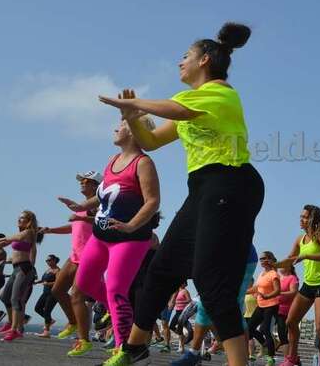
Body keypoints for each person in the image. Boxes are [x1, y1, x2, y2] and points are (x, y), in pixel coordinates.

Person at [99, 22, 265, 366]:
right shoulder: (193, 104)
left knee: (211, 281)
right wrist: (132, 117)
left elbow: (177, 109)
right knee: (162, 268)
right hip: (203, 189)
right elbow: (151, 141)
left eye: (185, 56)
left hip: (231, 183)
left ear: (204, 60)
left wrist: (135, 104)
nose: (179, 62)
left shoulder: (220, 93)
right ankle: (135, 348)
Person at [63, 115, 161, 357]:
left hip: (130, 238)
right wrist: (80, 206)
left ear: (134, 131)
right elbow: (103, 194)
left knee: (116, 289)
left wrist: (130, 226)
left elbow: (153, 201)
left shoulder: (143, 163)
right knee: (85, 284)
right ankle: (120, 312)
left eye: (122, 125)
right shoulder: (112, 160)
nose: (116, 129)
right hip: (100, 236)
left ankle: (123, 349)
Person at [41, 170, 100, 342]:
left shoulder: (96, 205)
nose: (82, 182)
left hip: (89, 256)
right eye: (81, 180)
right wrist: (50, 230)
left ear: (95, 185)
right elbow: (73, 226)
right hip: (74, 255)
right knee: (57, 290)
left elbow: (100, 221)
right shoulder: (82, 206)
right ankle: (73, 322)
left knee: (77, 296)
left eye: (86, 181)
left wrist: (81, 217)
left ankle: (84, 339)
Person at [278, 205, 320, 366]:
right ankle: (293, 358)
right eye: (301, 216)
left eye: (304, 217)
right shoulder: (299, 239)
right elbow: (290, 259)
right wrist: (274, 265)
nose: (301, 219)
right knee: (291, 321)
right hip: (308, 285)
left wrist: (306, 255)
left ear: (312, 219)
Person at [0, 210, 43, 341]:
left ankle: (15, 330)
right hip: (16, 268)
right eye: (19, 217)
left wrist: (1, 239)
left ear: (29, 221)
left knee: (15, 299)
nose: (19, 220)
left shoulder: (29, 232)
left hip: (24, 268)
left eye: (22, 218)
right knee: (4, 296)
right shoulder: (21, 233)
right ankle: (13, 322)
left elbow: (16, 239)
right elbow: (10, 243)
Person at [247, 251, 282, 366]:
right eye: (261, 259)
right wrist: (244, 292)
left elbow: (277, 290)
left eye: (264, 258)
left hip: (271, 305)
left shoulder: (273, 274)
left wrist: (267, 296)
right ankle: (265, 344)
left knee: (266, 330)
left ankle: (271, 358)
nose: (262, 261)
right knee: (249, 328)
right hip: (261, 306)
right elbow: (256, 288)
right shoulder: (262, 274)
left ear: (270, 260)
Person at [33, 254, 61, 337]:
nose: (47, 262)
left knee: (47, 311)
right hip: (45, 293)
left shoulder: (58, 271)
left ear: (54, 260)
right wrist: (37, 282)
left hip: (53, 294)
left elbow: (58, 282)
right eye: (46, 261)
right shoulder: (48, 270)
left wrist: (48, 284)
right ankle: (50, 320)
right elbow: (44, 280)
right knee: (37, 308)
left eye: (49, 260)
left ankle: (46, 332)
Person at [276, 261, 299, 357]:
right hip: (275, 308)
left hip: (286, 310)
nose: (280, 267)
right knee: (264, 328)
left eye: (282, 265)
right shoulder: (279, 278)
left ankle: (289, 358)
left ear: (288, 268)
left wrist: (278, 293)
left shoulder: (292, 278)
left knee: (283, 335)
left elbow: (294, 292)